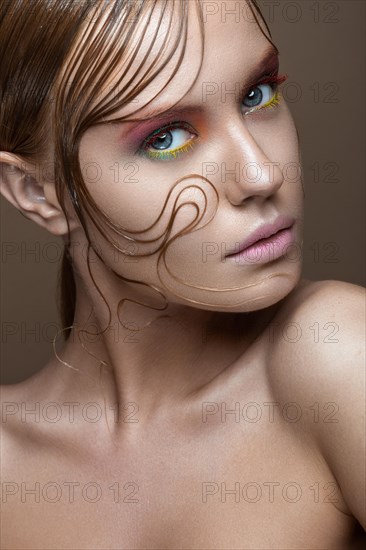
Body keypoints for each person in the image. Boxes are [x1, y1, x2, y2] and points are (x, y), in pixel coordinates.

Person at [0, 0, 365, 548]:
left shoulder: (335, 352)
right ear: (36, 193)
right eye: (166, 137)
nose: (261, 173)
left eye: (257, 94)